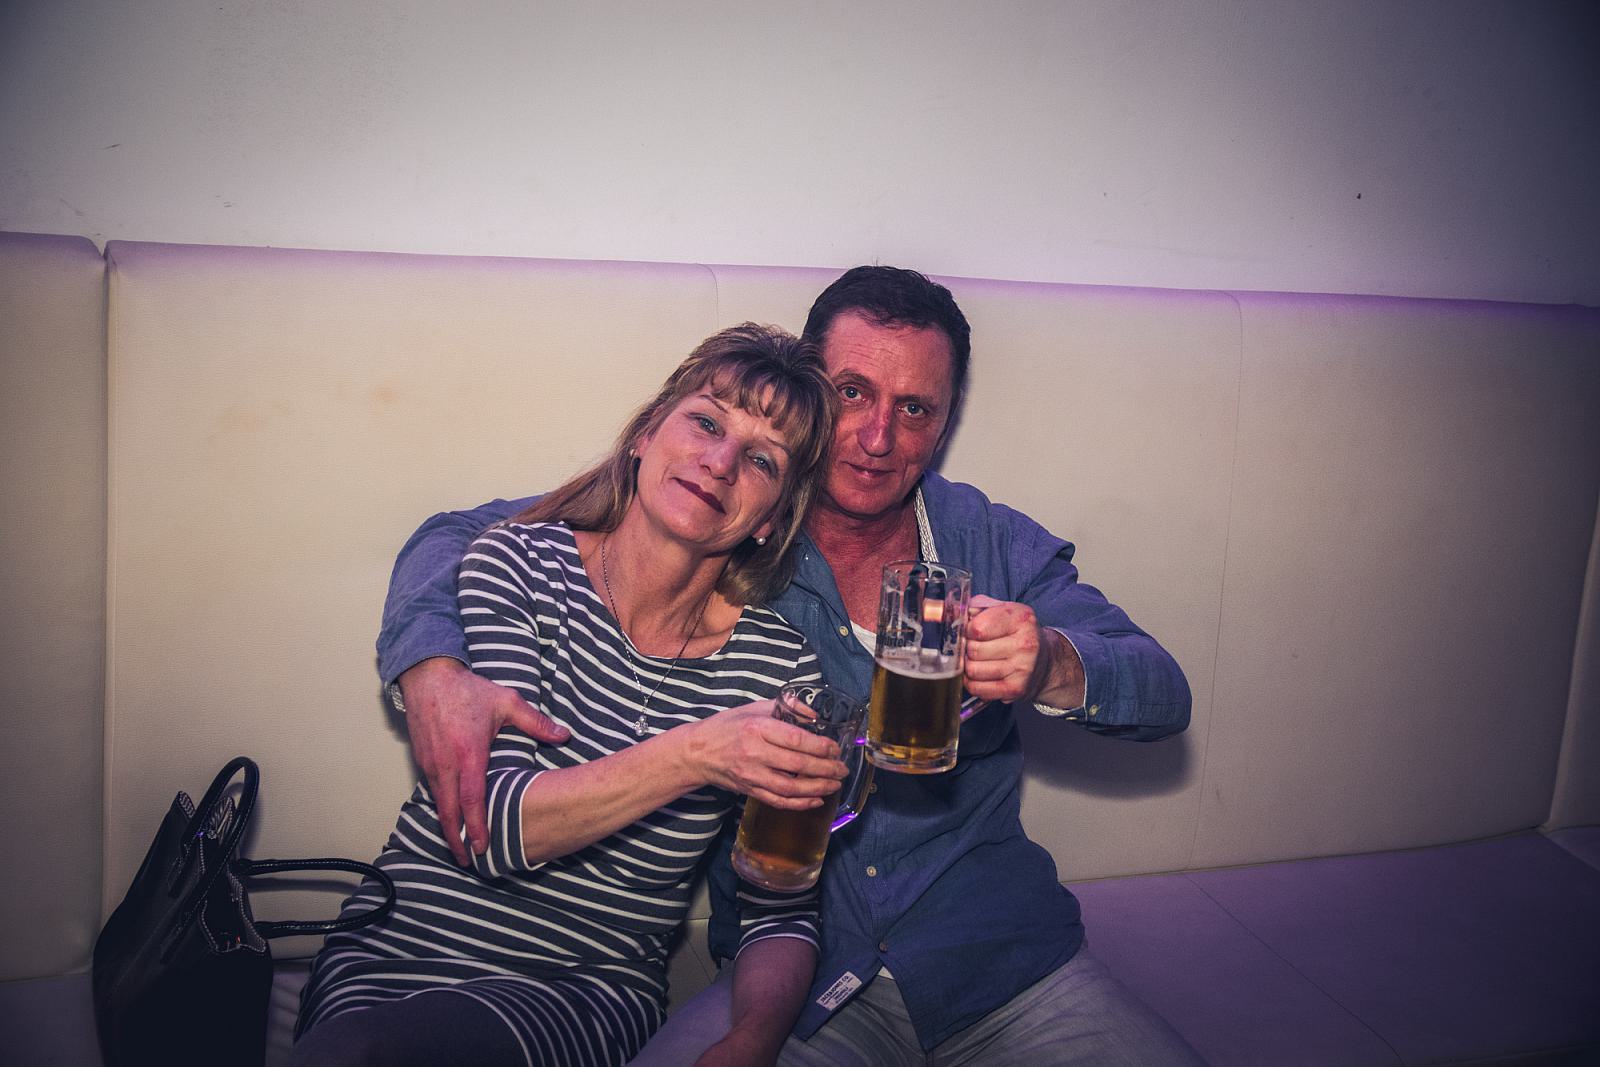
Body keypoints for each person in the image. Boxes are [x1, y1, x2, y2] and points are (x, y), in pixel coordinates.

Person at [378, 268, 1203, 1064]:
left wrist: (1051, 661)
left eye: (915, 408)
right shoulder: (734, 519)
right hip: (812, 986)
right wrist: (432, 665)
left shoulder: (990, 541)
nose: (878, 438)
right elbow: (469, 532)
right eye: (853, 393)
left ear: (945, 423)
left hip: (1000, 960)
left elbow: (1162, 689)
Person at [293, 323, 847, 1067]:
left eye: (760, 460)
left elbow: (781, 908)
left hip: (579, 992)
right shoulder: (519, 564)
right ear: (645, 436)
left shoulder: (777, 666)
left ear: (772, 519)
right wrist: (699, 753)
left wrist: (751, 1040)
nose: (719, 463)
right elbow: (490, 830)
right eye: (707, 423)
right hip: (398, 951)